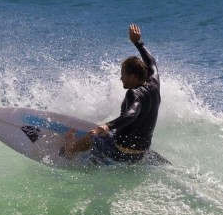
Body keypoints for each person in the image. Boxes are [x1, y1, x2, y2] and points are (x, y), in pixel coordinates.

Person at [62, 24, 160, 163]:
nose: (121, 78)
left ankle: (69, 151)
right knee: (114, 133)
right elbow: (152, 63)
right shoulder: (154, 84)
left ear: (132, 76)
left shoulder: (134, 93)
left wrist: (108, 126)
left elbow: (131, 114)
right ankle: (98, 157)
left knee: (92, 136)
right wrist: (138, 43)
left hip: (121, 153)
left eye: (123, 75)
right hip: (140, 154)